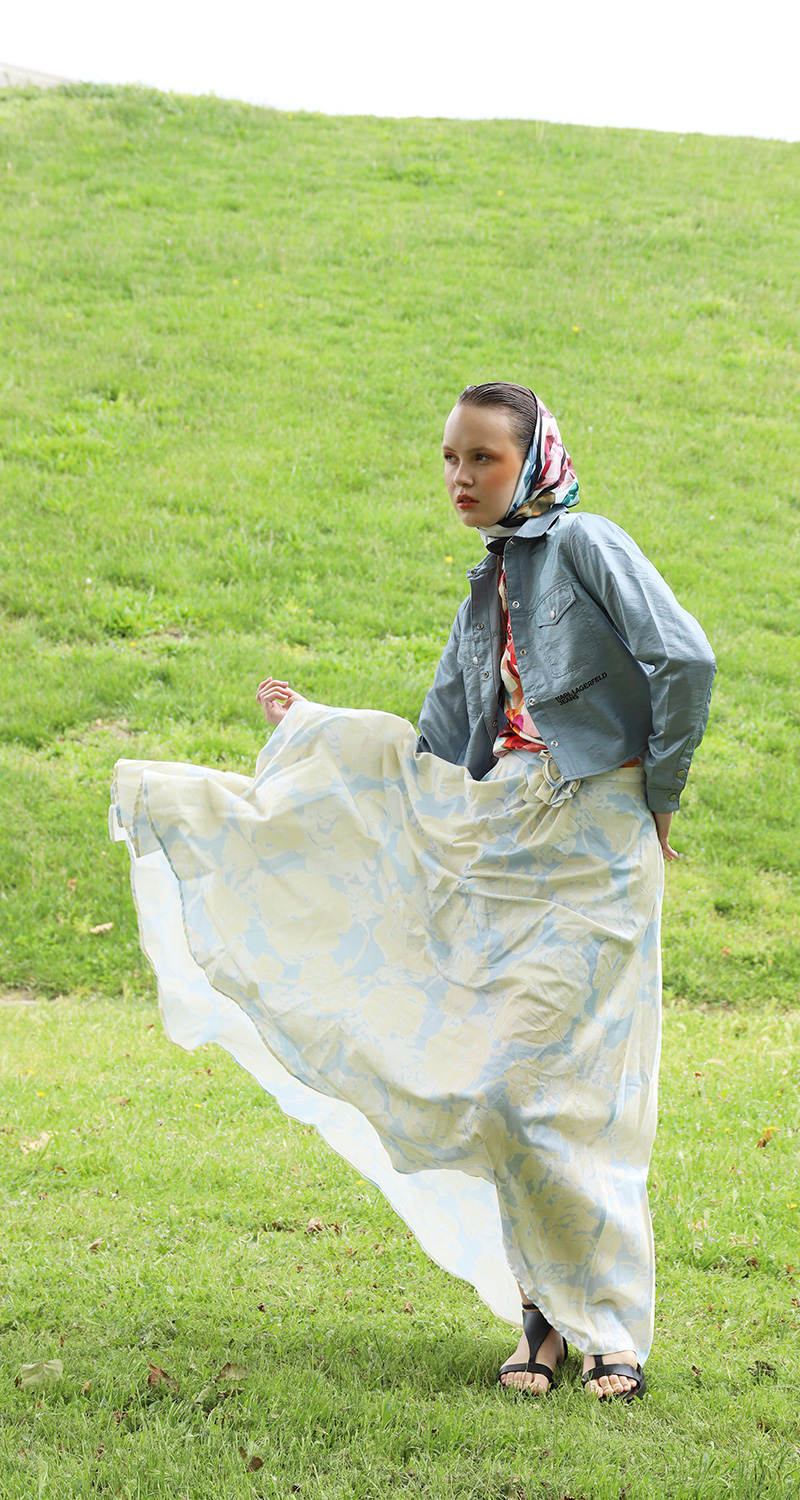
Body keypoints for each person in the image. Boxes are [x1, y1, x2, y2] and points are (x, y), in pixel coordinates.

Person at [111, 381, 715, 1403]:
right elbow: (430, 746)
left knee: (565, 1094)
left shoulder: (587, 544)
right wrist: (314, 731)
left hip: (598, 851)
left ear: (532, 460)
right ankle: (543, 1322)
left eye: (482, 458)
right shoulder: (488, 585)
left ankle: (611, 1332)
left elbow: (684, 660)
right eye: (449, 458)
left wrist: (659, 793)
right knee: (502, 1093)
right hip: (509, 845)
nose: (460, 478)